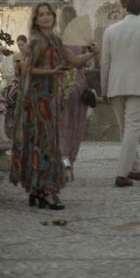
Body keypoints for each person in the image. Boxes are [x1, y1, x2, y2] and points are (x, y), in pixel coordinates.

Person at [9, 3, 96, 209]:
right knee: (43, 143)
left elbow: (74, 61)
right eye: (41, 15)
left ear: (54, 17)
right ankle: (46, 191)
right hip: (36, 99)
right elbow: (27, 70)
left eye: (48, 14)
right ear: (36, 20)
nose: (46, 17)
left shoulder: (56, 41)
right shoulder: (36, 42)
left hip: (51, 98)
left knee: (47, 142)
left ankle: (37, 190)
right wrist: (52, 72)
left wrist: (93, 53)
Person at [100, 0, 140, 187]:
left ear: (124, 9)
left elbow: (105, 62)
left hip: (116, 84)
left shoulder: (110, 31)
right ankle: (122, 173)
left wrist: (104, 87)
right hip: (139, 85)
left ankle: (135, 168)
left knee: (126, 129)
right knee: (133, 129)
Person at [58, 43, 96, 180]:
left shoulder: (57, 41)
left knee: (61, 128)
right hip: (78, 86)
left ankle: (64, 162)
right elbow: (88, 64)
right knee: (76, 127)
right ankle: (70, 163)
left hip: (60, 85)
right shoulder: (83, 42)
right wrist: (91, 53)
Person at [3, 34, 28, 135]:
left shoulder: (31, 55)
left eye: (22, 45)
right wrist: (18, 66)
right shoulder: (16, 56)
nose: (20, 47)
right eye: (18, 45)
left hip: (28, 79)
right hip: (18, 80)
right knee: (9, 95)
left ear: (26, 44)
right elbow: (16, 73)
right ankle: (12, 121)